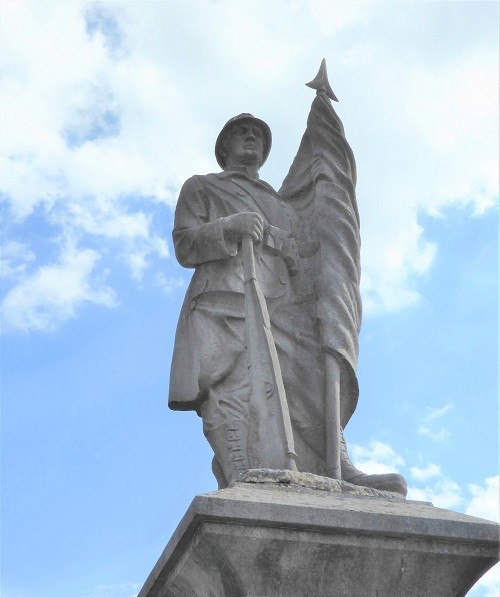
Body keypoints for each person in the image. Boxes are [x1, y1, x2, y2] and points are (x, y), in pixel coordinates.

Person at [169, 113, 407, 495]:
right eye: (241, 133)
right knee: (232, 385)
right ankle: (241, 471)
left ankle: (336, 464)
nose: (251, 138)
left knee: (309, 375)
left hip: (280, 301)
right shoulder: (202, 187)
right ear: (224, 147)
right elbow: (185, 244)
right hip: (225, 299)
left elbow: (299, 254)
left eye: (257, 135)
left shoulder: (278, 203)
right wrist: (229, 227)